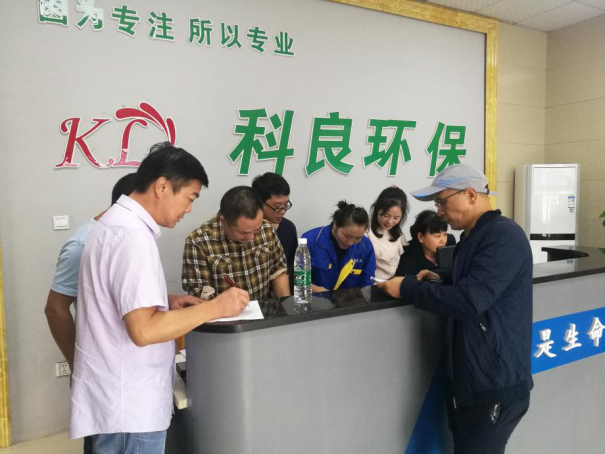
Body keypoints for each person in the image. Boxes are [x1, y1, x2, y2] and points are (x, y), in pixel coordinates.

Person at [69, 143, 249, 454]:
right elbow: (145, 330)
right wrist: (216, 307)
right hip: (131, 407)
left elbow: (114, 296)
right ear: (163, 186)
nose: (189, 209)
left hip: (114, 398)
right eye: (190, 197)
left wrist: (164, 301)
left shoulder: (112, 223)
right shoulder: (133, 237)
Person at [378, 164, 533, 454]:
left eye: (442, 201)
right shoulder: (472, 236)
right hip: (470, 380)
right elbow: (476, 279)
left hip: (492, 382)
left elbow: (469, 301)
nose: (439, 212)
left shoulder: (503, 236)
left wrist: (408, 288)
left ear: (471, 195)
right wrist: (442, 277)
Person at [46, 173, 137, 454]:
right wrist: (78, 365)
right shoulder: (84, 243)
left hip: (124, 369)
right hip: (102, 370)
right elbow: (55, 308)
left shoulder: (128, 235)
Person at [182, 186, 290, 301]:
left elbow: (278, 272)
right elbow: (200, 296)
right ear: (224, 222)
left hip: (265, 308)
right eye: (244, 233)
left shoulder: (267, 228)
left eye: (256, 230)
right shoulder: (198, 242)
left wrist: (285, 306)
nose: (251, 237)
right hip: (224, 311)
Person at [302, 201, 376, 292]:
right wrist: (319, 291)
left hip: (351, 299)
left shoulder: (366, 246)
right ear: (335, 224)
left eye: (358, 238)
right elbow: (300, 281)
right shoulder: (310, 241)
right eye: (347, 236)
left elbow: (367, 283)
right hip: (316, 298)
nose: (350, 242)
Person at [251, 172, 298, 292]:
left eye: (286, 205)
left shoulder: (288, 228)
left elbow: (291, 267)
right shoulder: (246, 231)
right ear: (258, 202)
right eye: (277, 206)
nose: (282, 211)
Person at [395, 210, 455, 277]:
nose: (443, 240)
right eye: (437, 236)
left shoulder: (450, 242)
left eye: (445, 234)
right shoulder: (409, 252)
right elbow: (405, 280)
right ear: (421, 237)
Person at [366, 187, 409, 280]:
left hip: (393, 283)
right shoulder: (366, 232)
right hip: (371, 283)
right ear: (377, 209)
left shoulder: (399, 234)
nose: (390, 221)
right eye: (386, 215)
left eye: (396, 218)